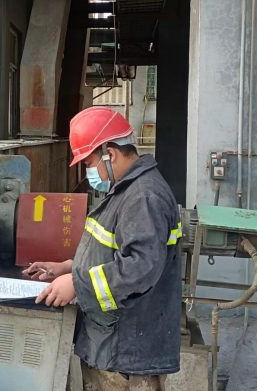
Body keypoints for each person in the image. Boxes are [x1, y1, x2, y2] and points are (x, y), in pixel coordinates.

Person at [24, 107, 182, 391]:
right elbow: (111, 250)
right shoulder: (127, 188)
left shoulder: (143, 196)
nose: (88, 172)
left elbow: (138, 268)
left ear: (111, 154)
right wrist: (69, 267)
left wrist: (76, 284)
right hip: (115, 343)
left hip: (130, 354)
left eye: (89, 162)